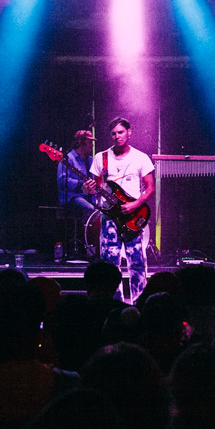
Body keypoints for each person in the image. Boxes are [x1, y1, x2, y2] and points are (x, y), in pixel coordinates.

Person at [87, 117, 155, 303]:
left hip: (132, 216)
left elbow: (150, 188)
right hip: (109, 217)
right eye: (114, 133)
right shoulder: (102, 158)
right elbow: (97, 186)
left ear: (129, 132)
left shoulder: (141, 158)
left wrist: (134, 204)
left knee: (137, 263)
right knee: (110, 264)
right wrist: (89, 187)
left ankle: (139, 303)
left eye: (121, 132)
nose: (117, 136)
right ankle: (114, 304)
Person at [56, 129, 98, 244]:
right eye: (89, 141)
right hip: (72, 197)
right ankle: (87, 242)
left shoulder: (91, 160)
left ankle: (98, 244)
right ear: (80, 142)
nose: (92, 145)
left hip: (90, 196)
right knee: (89, 209)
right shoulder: (68, 159)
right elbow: (62, 180)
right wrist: (81, 185)